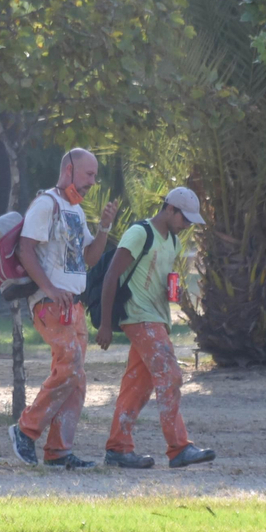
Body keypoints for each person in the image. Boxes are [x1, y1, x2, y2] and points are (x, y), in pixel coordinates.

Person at [7, 148, 119, 469]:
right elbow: (25, 249)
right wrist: (51, 289)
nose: (93, 182)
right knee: (70, 365)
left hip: (73, 305)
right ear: (69, 170)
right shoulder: (47, 204)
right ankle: (25, 431)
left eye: (94, 176)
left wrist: (105, 228)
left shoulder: (76, 211)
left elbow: (90, 258)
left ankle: (58, 453)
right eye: (89, 175)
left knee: (76, 377)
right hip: (50, 304)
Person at [95, 187, 216, 469]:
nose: (186, 225)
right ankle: (179, 447)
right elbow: (112, 274)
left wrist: (172, 293)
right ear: (170, 209)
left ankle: (118, 449)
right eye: (184, 218)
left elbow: (158, 277)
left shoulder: (172, 241)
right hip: (140, 317)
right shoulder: (139, 234)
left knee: (137, 385)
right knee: (171, 376)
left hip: (157, 318)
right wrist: (105, 324)